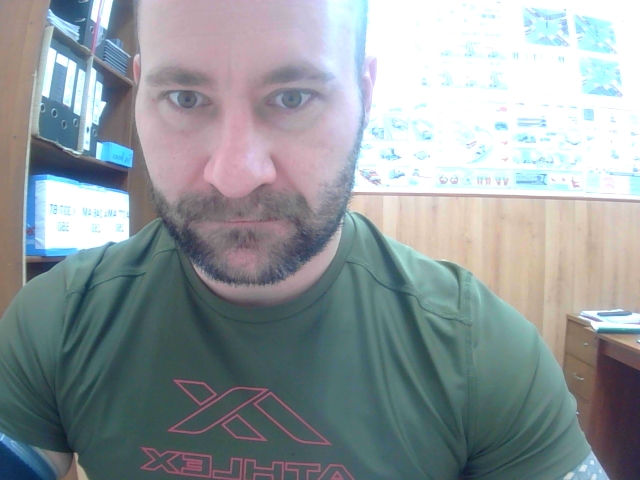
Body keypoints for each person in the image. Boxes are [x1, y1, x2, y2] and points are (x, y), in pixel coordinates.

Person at [0, 1, 608, 478]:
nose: (235, 175)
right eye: (185, 98)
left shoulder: (481, 355)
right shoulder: (58, 319)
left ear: (365, 92)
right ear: (139, 92)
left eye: (292, 98)